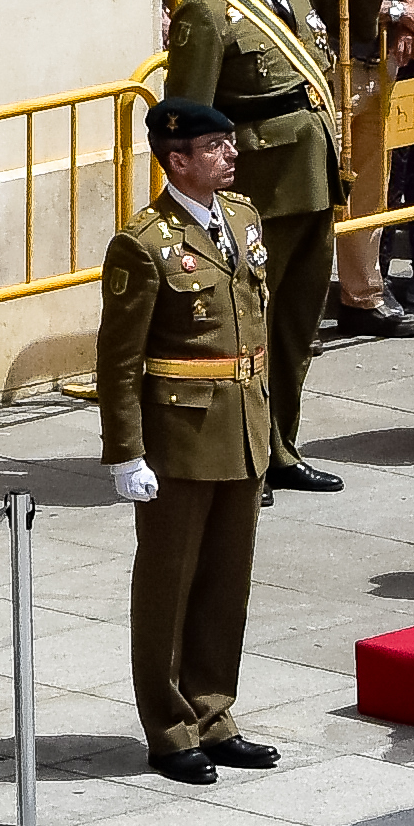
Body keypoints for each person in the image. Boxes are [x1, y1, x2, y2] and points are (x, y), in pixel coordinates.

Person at [99, 101, 283, 766]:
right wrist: (125, 451)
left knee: (226, 582)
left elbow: (258, 325)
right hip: (180, 434)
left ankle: (213, 711)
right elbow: (118, 360)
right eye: (214, 147)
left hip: (242, 427)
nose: (230, 155)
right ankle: (169, 728)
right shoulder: (143, 243)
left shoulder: (242, 218)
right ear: (177, 160)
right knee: (168, 585)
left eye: (228, 143)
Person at [163, 0, 355, 489]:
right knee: (253, 329)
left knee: (298, 326)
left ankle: (282, 448)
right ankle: (246, 458)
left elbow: (355, 36)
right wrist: (203, 201)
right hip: (257, 189)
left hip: (314, 178)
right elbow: (187, 113)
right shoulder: (207, 9)